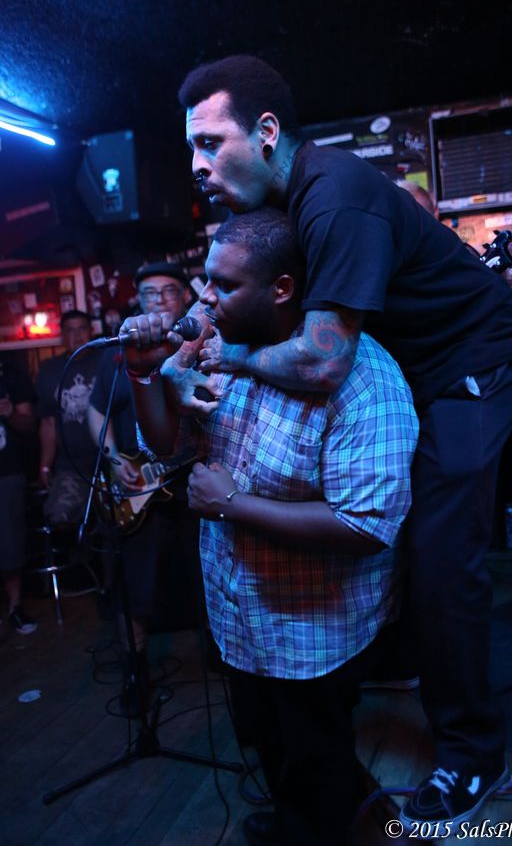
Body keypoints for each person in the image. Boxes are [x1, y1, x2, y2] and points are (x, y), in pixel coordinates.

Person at [161, 54, 512, 831]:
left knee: (440, 557)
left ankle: (473, 752)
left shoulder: (333, 196)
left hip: (471, 364)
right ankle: (402, 666)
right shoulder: (283, 202)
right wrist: (187, 334)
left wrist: (226, 356)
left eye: (209, 142)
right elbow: (238, 281)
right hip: (415, 367)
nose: (196, 164)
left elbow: (323, 362)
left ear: (267, 132)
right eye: (190, 146)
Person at [120, 208, 418, 846]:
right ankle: (292, 820)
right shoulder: (215, 348)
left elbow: (367, 525)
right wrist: (145, 373)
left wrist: (233, 504)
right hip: (237, 616)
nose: (205, 297)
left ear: (282, 289)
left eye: (225, 285)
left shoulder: (364, 382)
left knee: (317, 760)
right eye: (206, 279)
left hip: (313, 633)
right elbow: (165, 444)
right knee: (266, 745)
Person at [87, 261, 201, 716]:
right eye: (149, 293)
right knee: (134, 585)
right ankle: (134, 672)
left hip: (189, 484)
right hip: (137, 488)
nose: (158, 300)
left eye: (168, 291)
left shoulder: (200, 345)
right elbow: (96, 411)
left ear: (185, 297)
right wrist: (115, 461)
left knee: (206, 575)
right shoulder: (117, 352)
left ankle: (223, 661)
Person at [36, 310, 99, 527]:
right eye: (70, 330)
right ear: (62, 335)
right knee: (61, 518)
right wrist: (45, 465)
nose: (77, 335)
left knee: (116, 526)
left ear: (92, 331)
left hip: (110, 463)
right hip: (70, 466)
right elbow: (48, 423)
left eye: (82, 329)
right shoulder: (49, 370)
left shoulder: (107, 361)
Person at [0, 359, 37, 634]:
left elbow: (29, 424)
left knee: (10, 544)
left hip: (7, 473)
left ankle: (14, 608)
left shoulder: (12, 374)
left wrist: (10, 412)